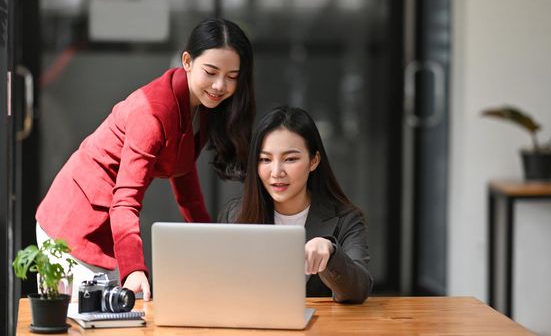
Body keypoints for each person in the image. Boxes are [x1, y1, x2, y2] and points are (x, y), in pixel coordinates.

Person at [35, 18, 255, 301]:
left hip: (110, 226)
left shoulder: (202, 106)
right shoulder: (153, 112)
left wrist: (210, 244)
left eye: (232, 76)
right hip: (74, 223)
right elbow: (125, 201)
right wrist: (134, 270)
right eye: (211, 72)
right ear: (187, 61)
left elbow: (186, 185)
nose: (219, 85)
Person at [218, 106, 373, 303]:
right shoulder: (235, 214)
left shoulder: (346, 219)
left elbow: (358, 291)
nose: (276, 172)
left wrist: (331, 252)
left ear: (314, 160)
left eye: (290, 159)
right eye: (265, 159)